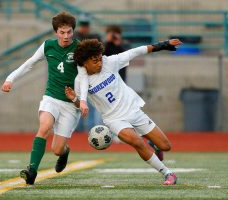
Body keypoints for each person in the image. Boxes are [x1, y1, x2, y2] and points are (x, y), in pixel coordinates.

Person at [65, 38, 182, 185]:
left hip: (133, 111)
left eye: (100, 59)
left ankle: (154, 145)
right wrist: (74, 99)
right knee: (137, 142)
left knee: (166, 146)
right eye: (95, 61)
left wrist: (163, 45)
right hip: (114, 119)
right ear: (84, 63)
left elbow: (136, 51)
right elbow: (80, 105)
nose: (100, 63)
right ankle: (168, 173)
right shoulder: (80, 81)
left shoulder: (110, 62)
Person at [1, 12, 89, 185]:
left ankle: (65, 152)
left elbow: (83, 75)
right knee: (45, 126)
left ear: (73, 31)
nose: (66, 36)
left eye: (69, 32)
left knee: (56, 150)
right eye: (62, 32)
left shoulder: (79, 48)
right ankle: (32, 170)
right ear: (56, 32)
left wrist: (83, 100)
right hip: (51, 97)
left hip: (71, 105)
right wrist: (10, 79)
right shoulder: (47, 46)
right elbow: (29, 64)